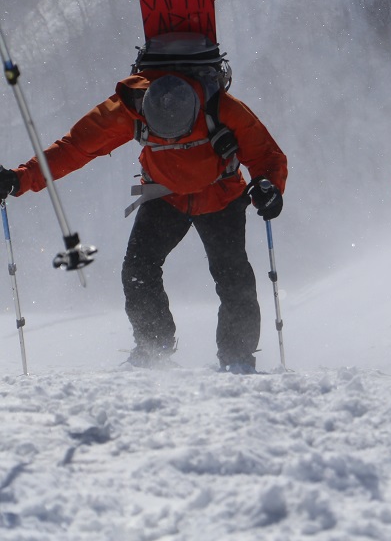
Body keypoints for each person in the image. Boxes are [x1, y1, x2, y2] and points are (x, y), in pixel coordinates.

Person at [0, 65, 287, 372]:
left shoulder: (223, 107)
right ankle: (153, 348)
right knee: (139, 268)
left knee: (233, 276)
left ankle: (237, 357)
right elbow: (75, 147)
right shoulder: (129, 108)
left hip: (221, 194)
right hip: (166, 195)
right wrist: (20, 179)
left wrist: (270, 188)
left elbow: (267, 157)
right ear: (146, 113)